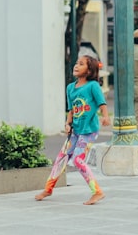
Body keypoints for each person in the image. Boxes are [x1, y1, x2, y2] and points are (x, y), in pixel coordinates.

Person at [36, 55, 111, 205]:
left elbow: (102, 103)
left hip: (89, 130)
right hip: (75, 131)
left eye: (81, 64)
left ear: (89, 70)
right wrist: (67, 123)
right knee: (61, 158)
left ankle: (97, 192)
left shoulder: (93, 86)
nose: (76, 66)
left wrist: (105, 117)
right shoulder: (70, 87)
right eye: (76, 63)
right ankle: (48, 189)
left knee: (78, 159)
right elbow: (71, 109)